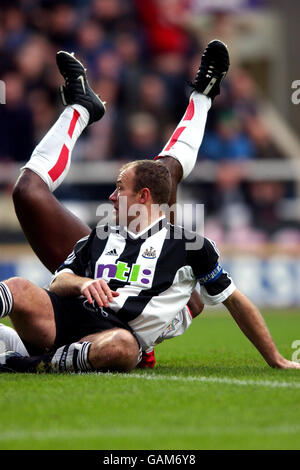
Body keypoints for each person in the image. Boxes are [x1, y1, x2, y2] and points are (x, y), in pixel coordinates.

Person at [1, 42, 299, 373]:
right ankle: (82, 107)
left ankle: (202, 95)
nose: (111, 197)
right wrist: (83, 284)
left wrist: (276, 358)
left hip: (122, 331)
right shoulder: (101, 235)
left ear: (139, 197)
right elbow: (61, 281)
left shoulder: (187, 247)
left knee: (160, 180)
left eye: (119, 190)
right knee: (28, 192)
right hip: (87, 312)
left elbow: (230, 300)